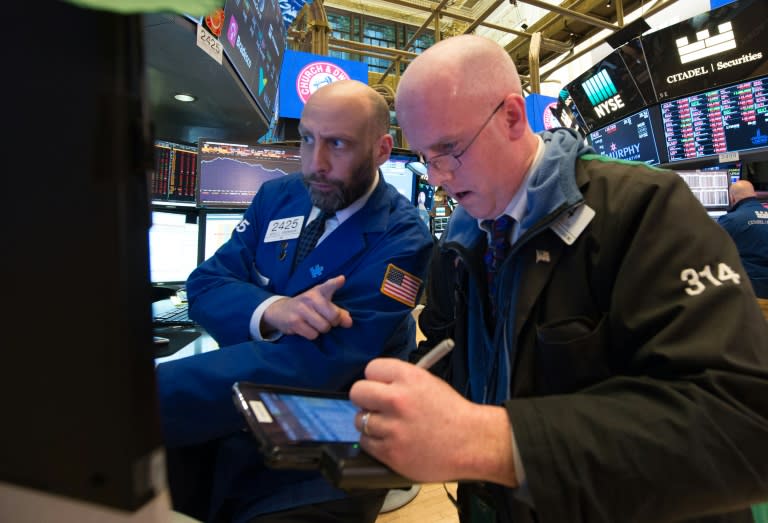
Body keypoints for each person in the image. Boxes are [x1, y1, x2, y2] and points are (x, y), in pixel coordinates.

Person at [349, 35, 768, 523]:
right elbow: (484, 362)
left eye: (449, 149)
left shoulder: (644, 208)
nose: (437, 176)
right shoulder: (467, 239)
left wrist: (490, 440)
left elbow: (742, 426)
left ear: (510, 115)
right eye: (424, 156)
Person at [155, 79, 433, 523]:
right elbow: (205, 284)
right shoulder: (277, 196)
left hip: (326, 445)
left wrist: (150, 391)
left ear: (382, 150)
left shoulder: (403, 238)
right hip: (236, 414)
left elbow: (317, 362)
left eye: (338, 144)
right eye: (307, 140)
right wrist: (271, 311)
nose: (315, 164)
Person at [718, 179, 768, 317]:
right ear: (754, 195)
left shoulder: (731, 220)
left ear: (732, 198)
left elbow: (710, 247)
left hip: (755, 296)